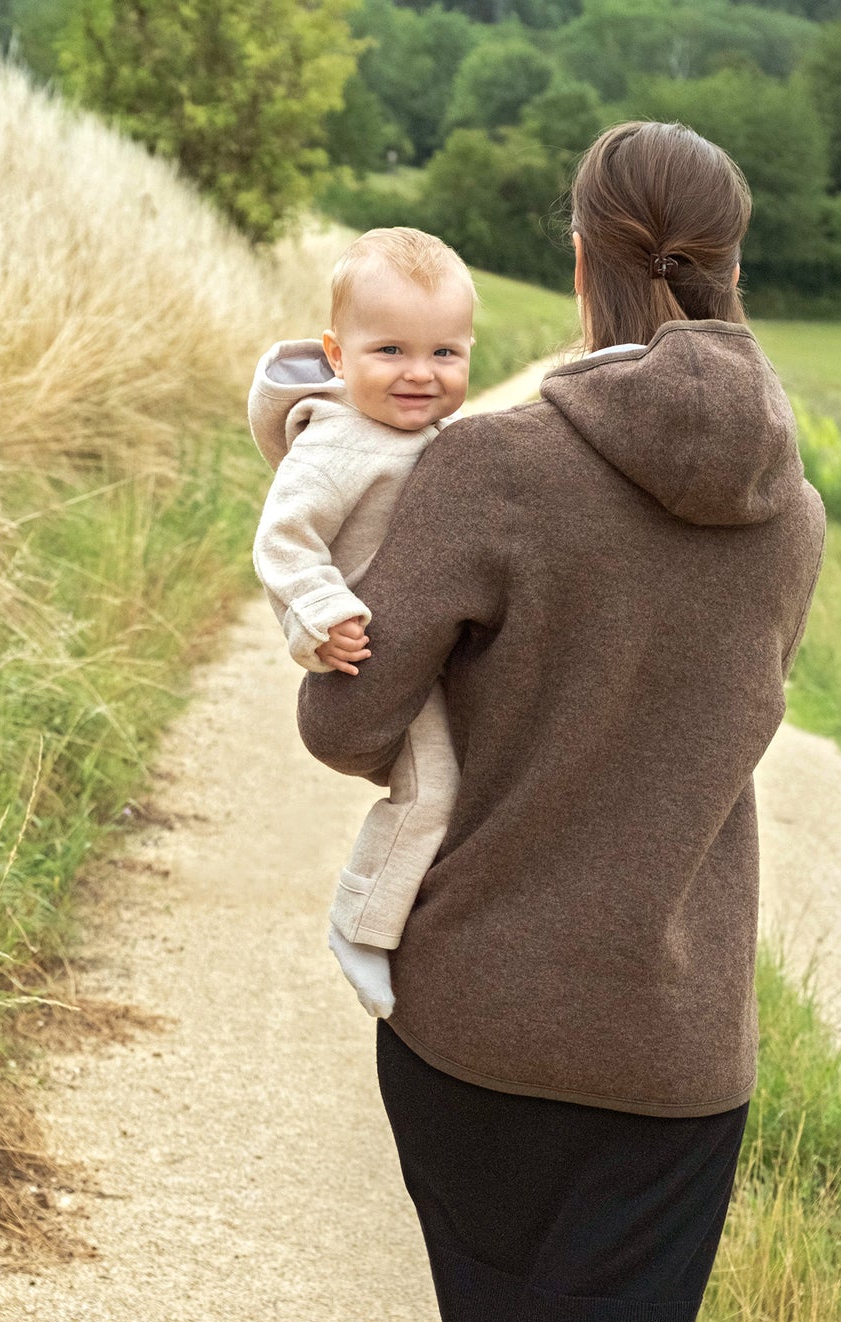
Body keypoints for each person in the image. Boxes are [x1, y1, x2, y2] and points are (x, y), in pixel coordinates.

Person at [297, 122, 827, 1322]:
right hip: (677, 1045)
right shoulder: (794, 518)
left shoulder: (493, 466)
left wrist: (323, 560)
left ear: (580, 255)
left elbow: (347, 723)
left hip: (482, 1018)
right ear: (730, 265)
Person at [248, 227, 478, 1021]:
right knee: (432, 790)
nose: (421, 374)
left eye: (446, 354)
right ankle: (362, 922)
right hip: (377, 656)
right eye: (391, 351)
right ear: (337, 356)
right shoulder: (337, 443)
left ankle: (432, 908)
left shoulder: (432, 435)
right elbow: (283, 540)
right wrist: (321, 617)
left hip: (434, 644)